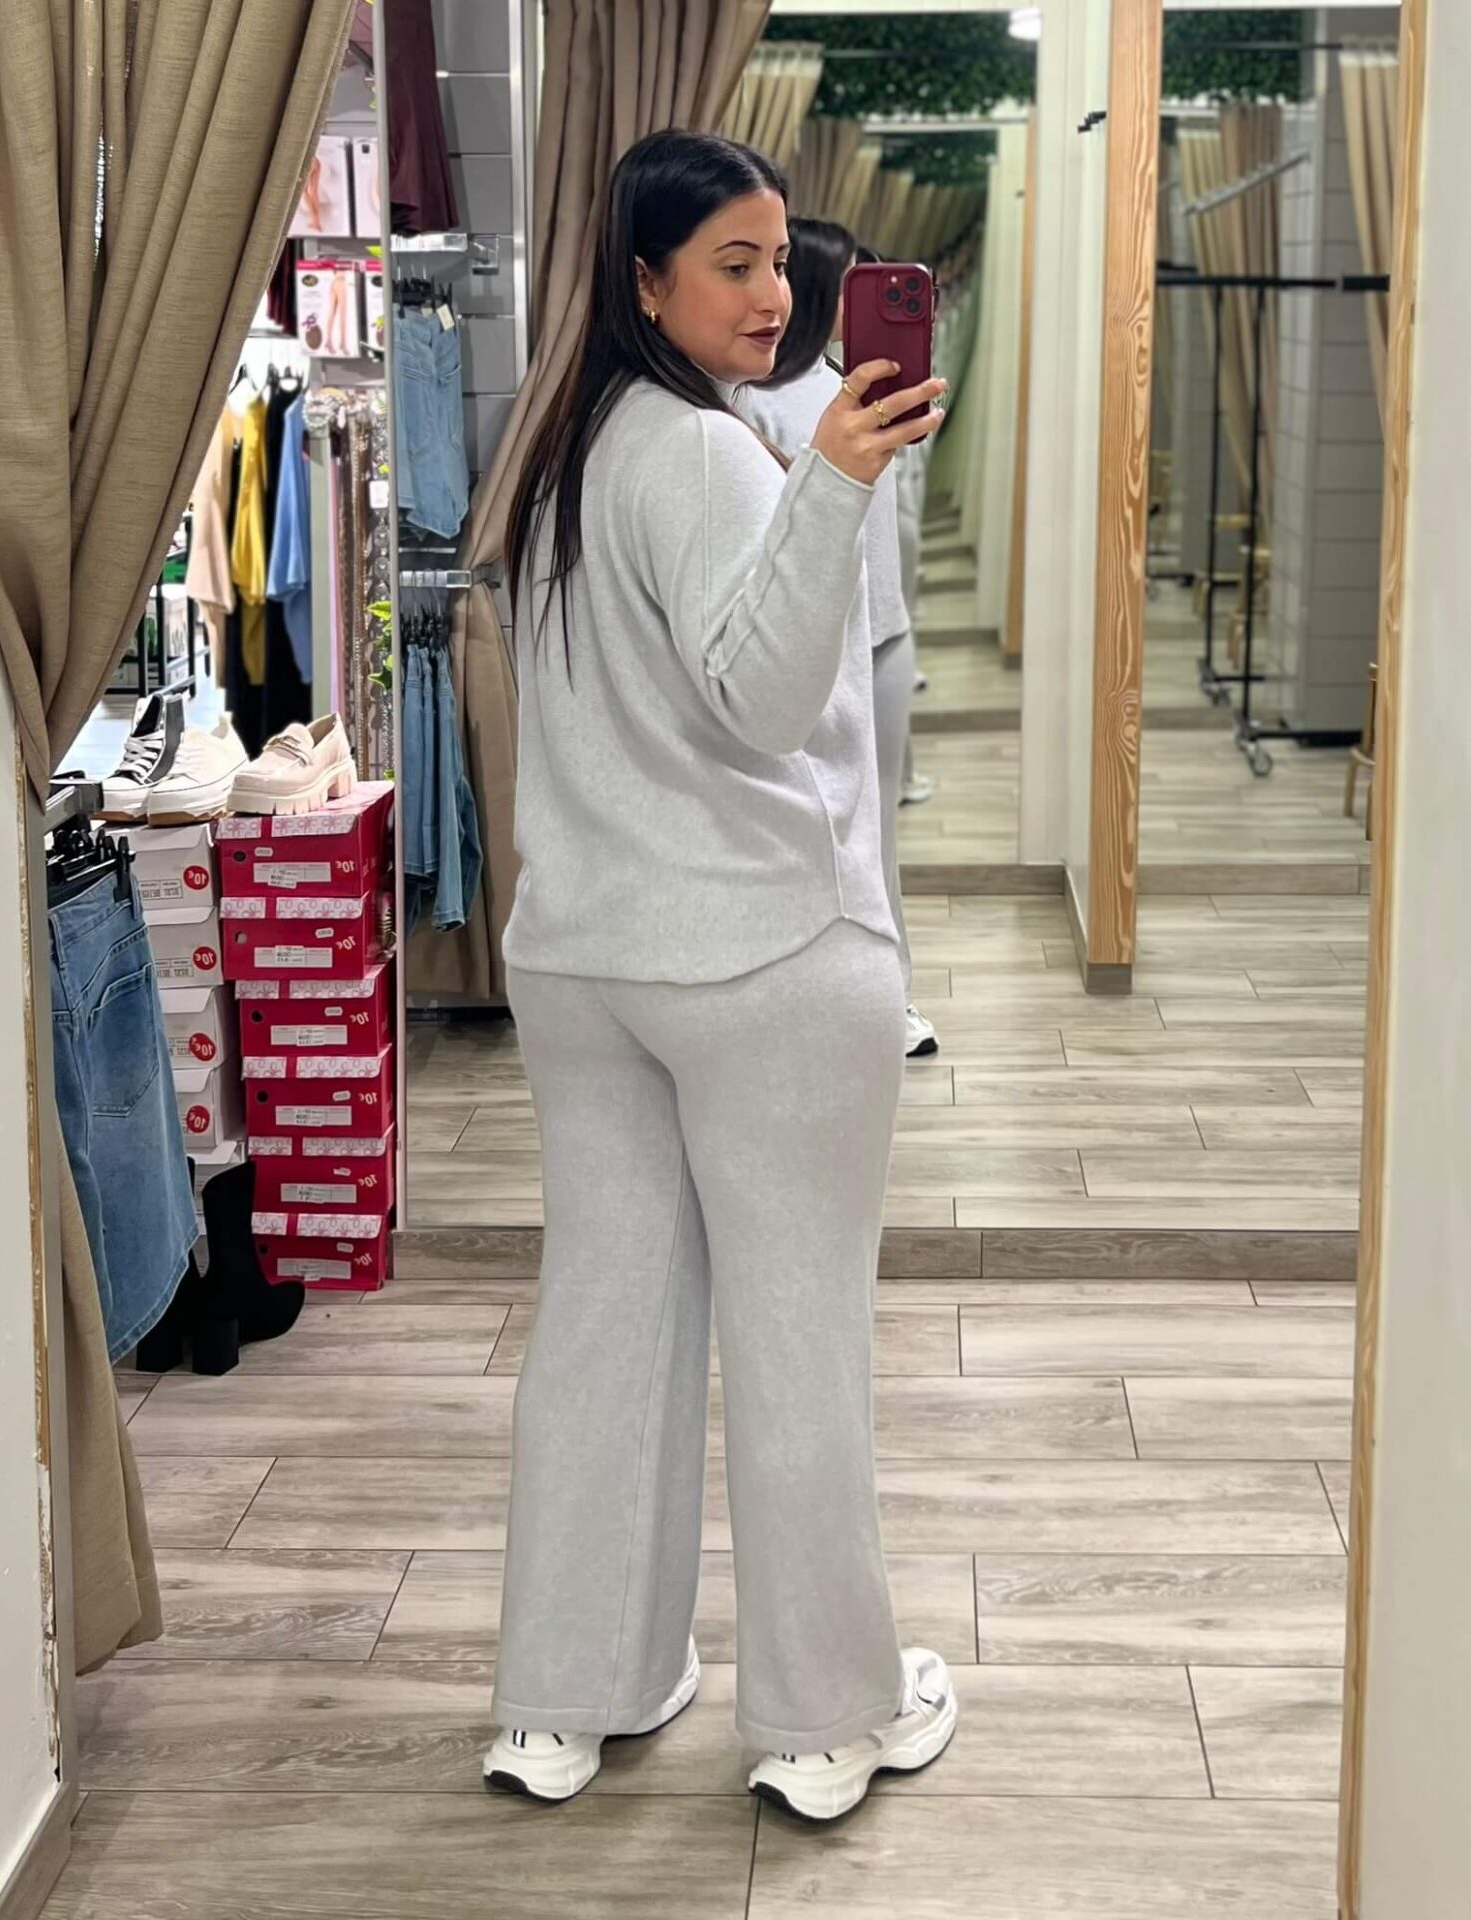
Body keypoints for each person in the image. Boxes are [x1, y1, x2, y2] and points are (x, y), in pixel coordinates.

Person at [481, 128, 956, 1822]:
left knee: (603, 1324)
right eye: (731, 265)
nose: (770, 295)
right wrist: (832, 484)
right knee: (796, 1336)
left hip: (585, 961)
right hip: (759, 958)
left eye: (777, 258)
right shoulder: (713, 457)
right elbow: (765, 706)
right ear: (646, 282)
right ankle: (826, 1719)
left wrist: (809, 474)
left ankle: (563, 1699)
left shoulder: (566, 446)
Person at [738, 220, 939, 1060]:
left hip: (882, 634)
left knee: (876, 835)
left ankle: (888, 999)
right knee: (800, 835)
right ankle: (807, 999)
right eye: (856, 283)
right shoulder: (753, 402)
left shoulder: (864, 391)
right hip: (807, 645)